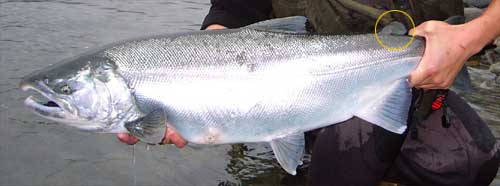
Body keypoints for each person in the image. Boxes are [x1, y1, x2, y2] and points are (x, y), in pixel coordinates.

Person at [118, 0, 500, 185]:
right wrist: (189, 91)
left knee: (469, 164)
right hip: (297, 80)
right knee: (347, 154)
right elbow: (230, 15)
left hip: (405, 70)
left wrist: (470, 37)